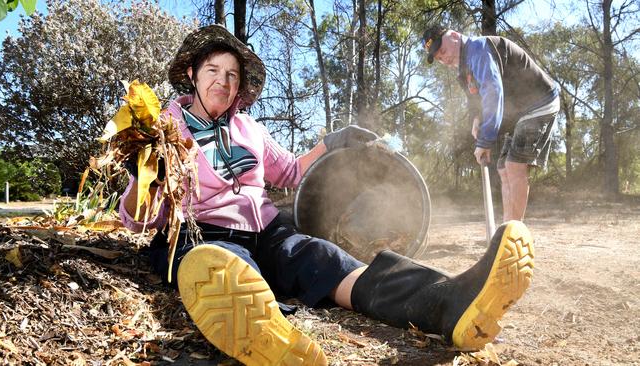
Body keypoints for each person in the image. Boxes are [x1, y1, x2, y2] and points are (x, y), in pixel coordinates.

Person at [119, 24, 535, 366]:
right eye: (213, 71)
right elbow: (136, 219)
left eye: (232, 75)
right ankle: (267, 332)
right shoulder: (164, 129)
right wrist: (145, 175)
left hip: (267, 232)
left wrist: (334, 141)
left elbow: (291, 171)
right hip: (200, 233)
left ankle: (448, 301)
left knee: (326, 258)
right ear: (192, 74)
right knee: (222, 266)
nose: (223, 82)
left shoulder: (249, 128)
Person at [423, 25, 560, 222]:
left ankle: (514, 235)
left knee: (514, 166)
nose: (443, 59)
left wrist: (485, 141)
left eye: (443, 50)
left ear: (454, 35)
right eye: (438, 58)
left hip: (539, 102)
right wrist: (476, 119)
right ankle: (506, 229)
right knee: (503, 169)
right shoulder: (464, 70)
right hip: (518, 113)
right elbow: (475, 100)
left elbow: (493, 92)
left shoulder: (478, 49)